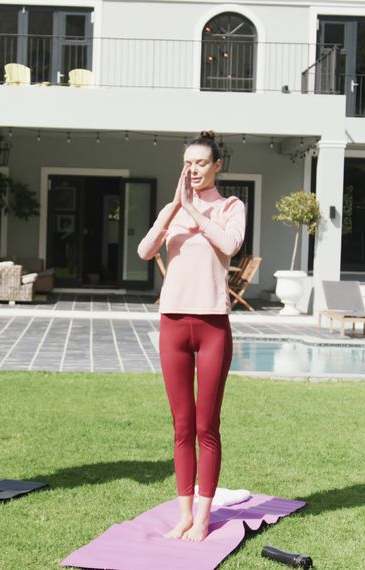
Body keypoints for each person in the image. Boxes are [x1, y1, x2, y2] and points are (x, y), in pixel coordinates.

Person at [137, 130, 246, 542]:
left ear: (217, 165)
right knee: (181, 425)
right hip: (174, 324)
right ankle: (183, 515)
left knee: (206, 425)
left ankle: (204, 517)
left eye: (201, 162)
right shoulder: (173, 210)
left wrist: (195, 212)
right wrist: (173, 211)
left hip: (213, 325)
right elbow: (145, 252)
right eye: (188, 163)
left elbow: (230, 244)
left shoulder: (231, 207)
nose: (194, 169)